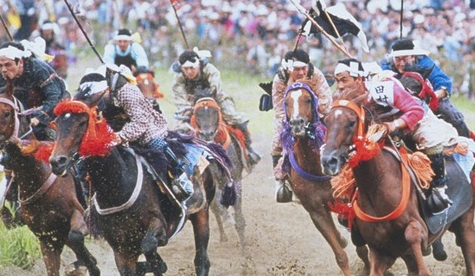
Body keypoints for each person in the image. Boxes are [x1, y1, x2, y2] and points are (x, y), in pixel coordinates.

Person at [333, 58, 458, 212]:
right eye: (337, 81)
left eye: (344, 80)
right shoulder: (341, 97)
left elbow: (416, 110)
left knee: (431, 141)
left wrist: (393, 125)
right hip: (380, 125)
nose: (340, 86)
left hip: (413, 117)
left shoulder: (383, 88)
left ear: (358, 79)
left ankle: (439, 188)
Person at [78, 64, 194, 200]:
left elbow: (141, 121)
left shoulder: (127, 91)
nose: (95, 102)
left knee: (156, 144)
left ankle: (178, 177)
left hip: (145, 126)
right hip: (112, 129)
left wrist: (120, 136)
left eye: (97, 96)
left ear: (106, 89)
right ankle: (87, 195)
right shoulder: (90, 98)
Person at [172, 48, 261, 167]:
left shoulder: (210, 70)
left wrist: (207, 98)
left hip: (216, 99)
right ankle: (179, 158)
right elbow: (179, 97)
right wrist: (188, 108)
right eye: (186, 69)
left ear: (198, 65)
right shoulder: (178, 77)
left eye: (192, 68)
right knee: (179, 127)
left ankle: (249, 150)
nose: (189, 72)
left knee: (234, 118)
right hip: (192, 104)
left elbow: (216, 88)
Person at [270, 49, 332, 202]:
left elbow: (326, 101)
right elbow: (279, 108)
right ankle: (281, 181)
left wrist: (310, 113)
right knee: (277, 140)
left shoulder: (315, 75)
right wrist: (291, 120)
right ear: (288, 68)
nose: (302, 72)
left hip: (316, 114)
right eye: (297, 69)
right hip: (289, 116)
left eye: (304, 68)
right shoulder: (279, 80)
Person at [381, 38, 470, 136]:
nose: (401, 63)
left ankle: (465, 140)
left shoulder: (425, 64)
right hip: (399, 102)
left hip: (429, 99)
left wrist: (429, 99)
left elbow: (443, 83)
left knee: (451, 114)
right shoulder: (387, 67)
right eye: (398, 59)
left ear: (413, 57)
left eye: (405, 58)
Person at [0, 38, 69, 141]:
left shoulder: (39, 69)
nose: (3, 69)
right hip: (21, 114)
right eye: (0, 65)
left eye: (8, 65)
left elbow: (54, 97)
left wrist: (39, 117)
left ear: (20, 62)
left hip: (50, 108)